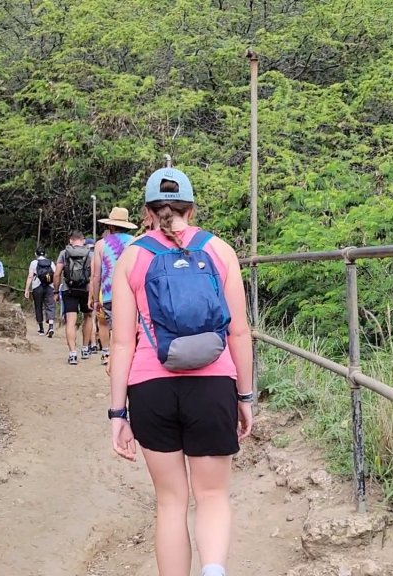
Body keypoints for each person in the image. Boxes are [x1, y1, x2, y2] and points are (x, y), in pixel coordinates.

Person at [108, 167, 253, 576]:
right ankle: (214, 570)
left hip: (151, 388)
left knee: (171, 502)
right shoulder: (220, 251)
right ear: (192, 208)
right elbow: (239, 332)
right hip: (213, 384)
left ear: (147, 212)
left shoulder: (132, 257)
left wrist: (118, 414)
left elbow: (122, 343)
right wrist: (245, 396)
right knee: (212, 495)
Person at [90, 207, 138, 366]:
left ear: (110, 225)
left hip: (109, 294)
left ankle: (112, 358)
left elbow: (96, 275)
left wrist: (95, 299)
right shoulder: (135, 242)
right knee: (130, 330)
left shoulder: (101, 244)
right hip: (132, 293)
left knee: (113, 329)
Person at [53, 230, 94, 365]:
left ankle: (72, 354)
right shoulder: (90, 254)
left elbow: (57, 274)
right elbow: (94, 275)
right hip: (86, 289)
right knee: (88, 317)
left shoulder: (64, 253)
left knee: (71, 321)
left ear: (71, 240)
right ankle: (85, 348)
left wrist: (55, 291)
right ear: (83, 241)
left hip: (69, 289)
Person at [24, 247, 56, 337]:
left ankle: (41, 329)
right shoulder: (51, 263)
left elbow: (30, 276)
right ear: (45, 254)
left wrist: (27, 289)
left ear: (36, 254)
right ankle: (51, 326)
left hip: (37, 287)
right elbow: (56, 275)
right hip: (50, 286)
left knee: (38, 306)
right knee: (50, 305)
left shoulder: (34, 263)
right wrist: (56, 288)